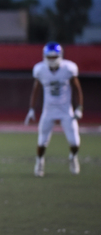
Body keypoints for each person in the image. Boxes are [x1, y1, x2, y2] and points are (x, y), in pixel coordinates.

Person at [24, 42, 83, 177]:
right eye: (49, 57)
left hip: (66, 110)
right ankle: (39, 162)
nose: (51, 60)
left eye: (53, 57)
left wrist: (79, 107)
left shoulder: (68, 68)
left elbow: (77, 88)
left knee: (74, 142)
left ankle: (73, 157)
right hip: (48, 110)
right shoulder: (40, 70)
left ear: (60, 56)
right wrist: (31, 109)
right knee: (42, 142)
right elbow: (36, 89)